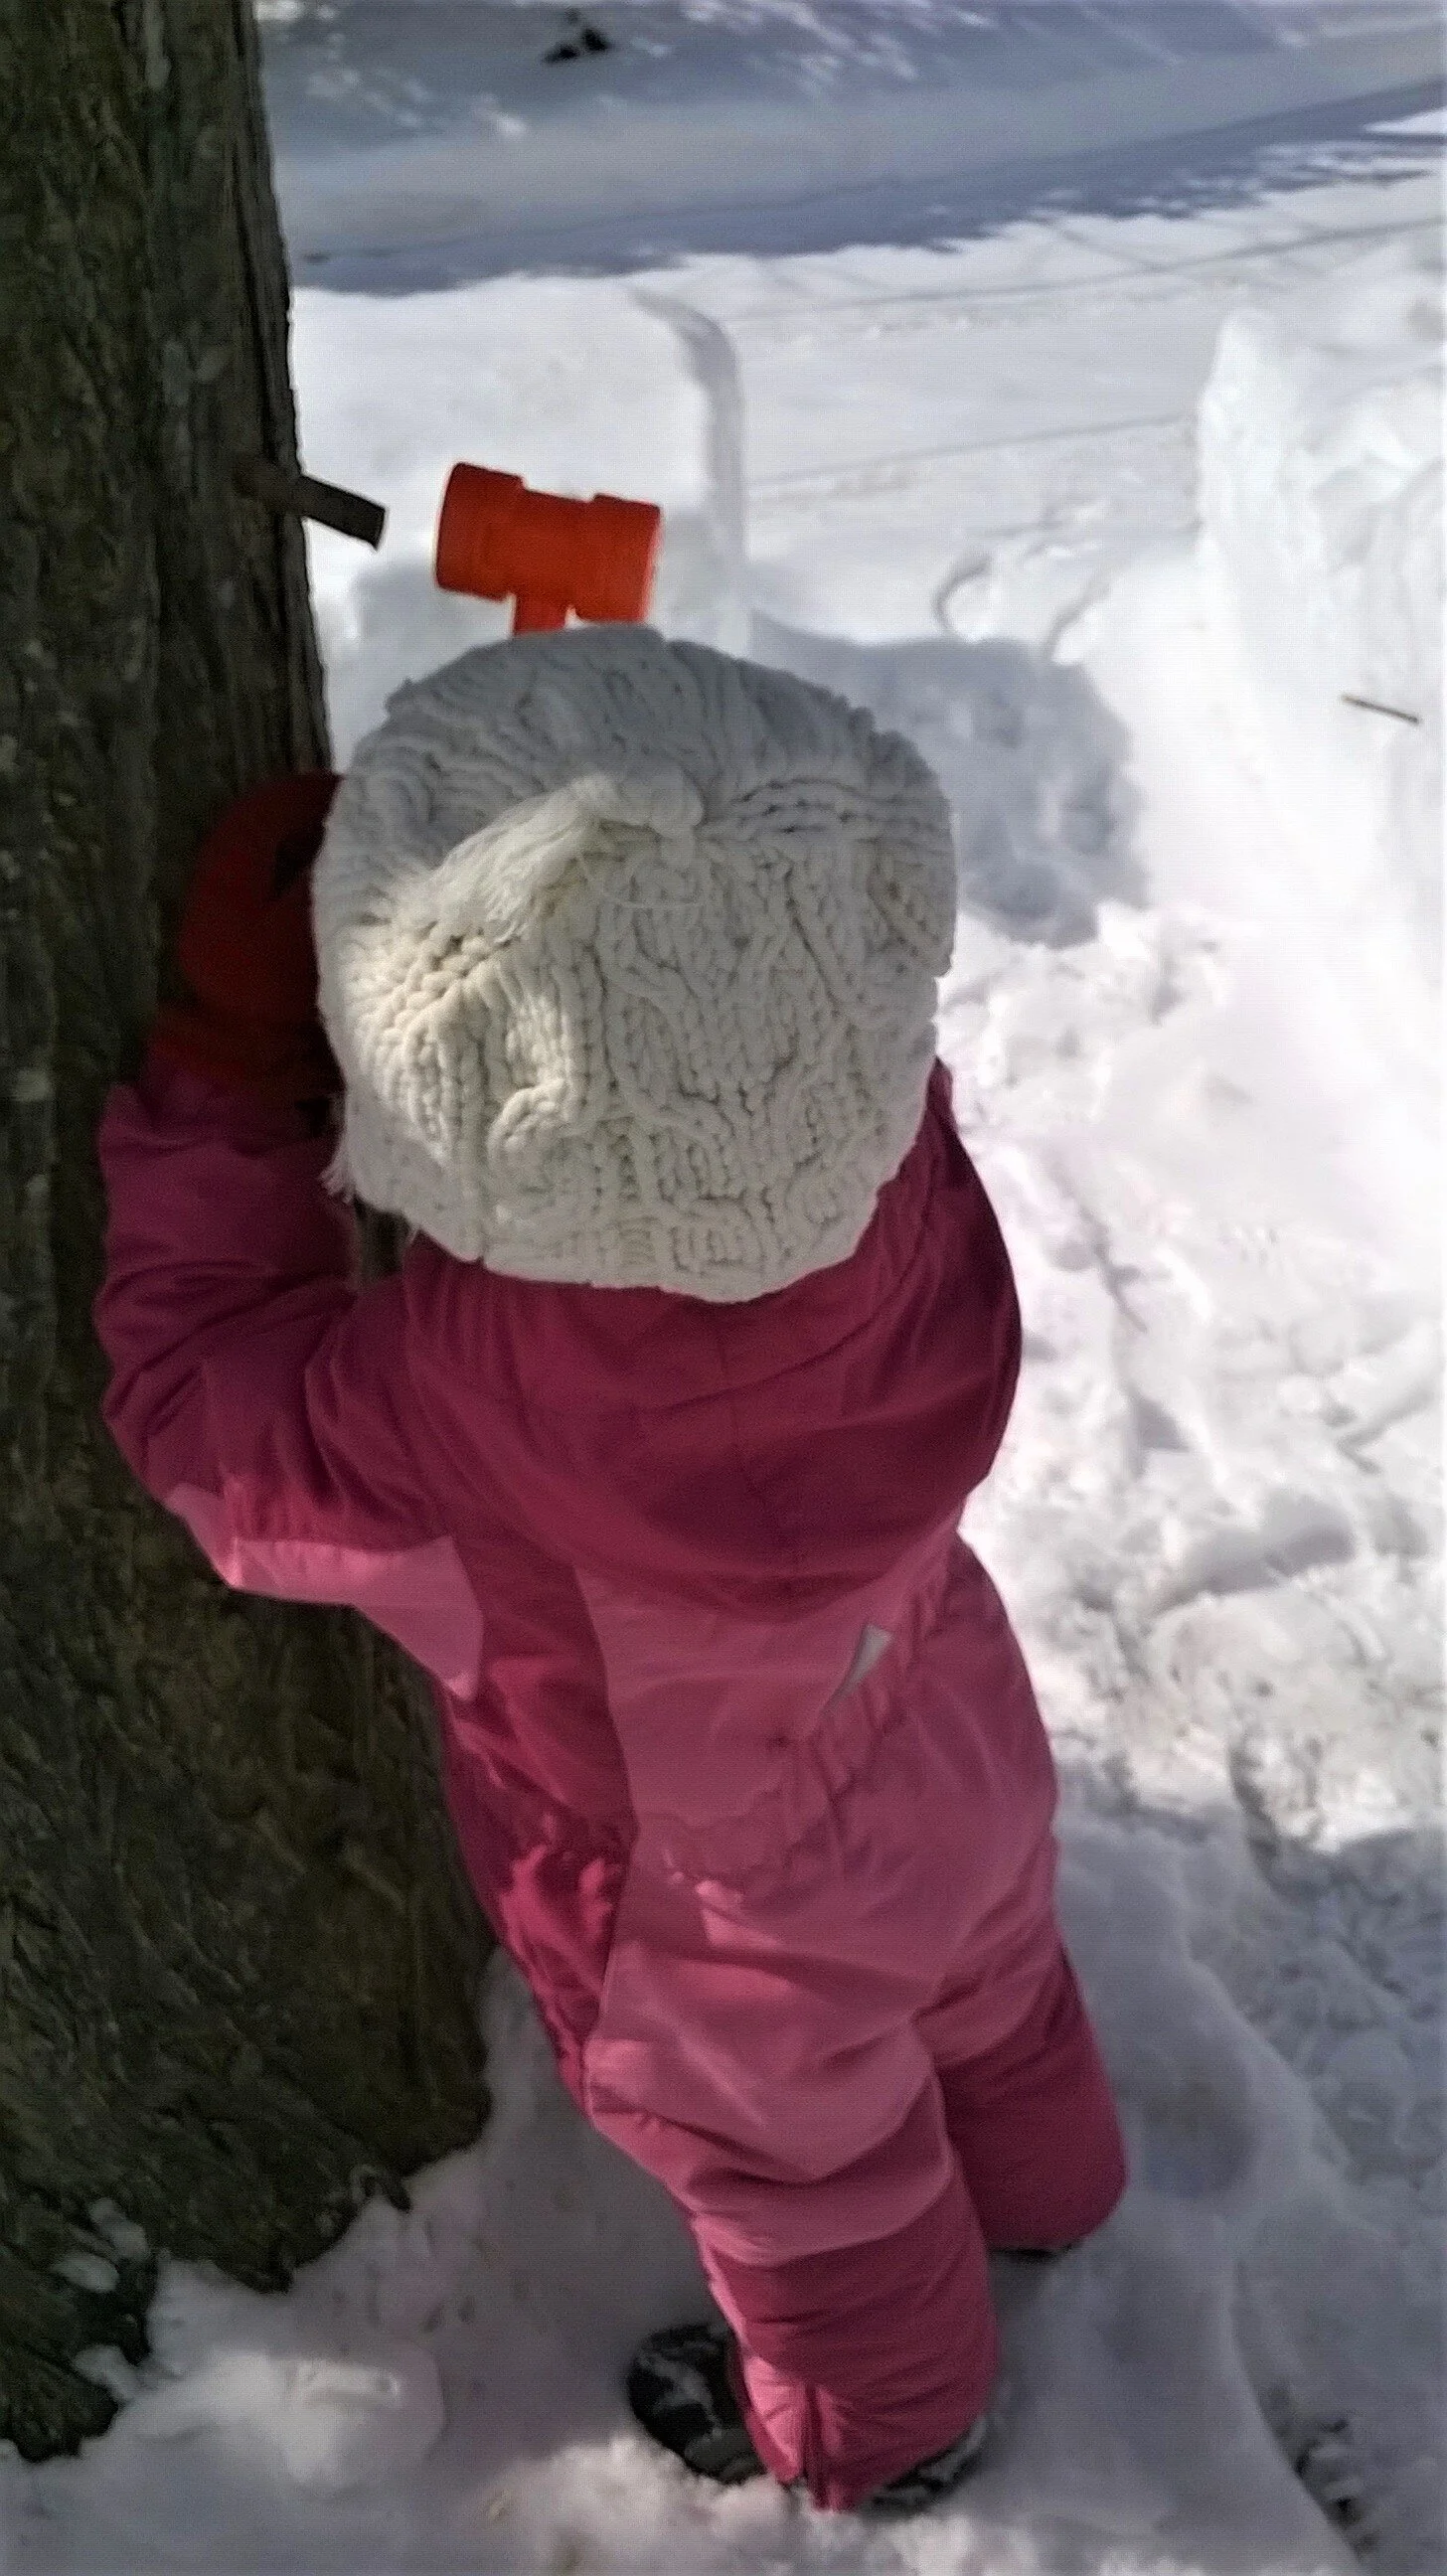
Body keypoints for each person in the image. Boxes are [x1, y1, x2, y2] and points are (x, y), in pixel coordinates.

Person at [95, 628, 1126, 2516]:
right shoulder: (892, 1176)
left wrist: (239, 1078)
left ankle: (895, 2432)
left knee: (818, 2181)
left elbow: (216, 1434)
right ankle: (1064, 2191)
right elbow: (713, 1027)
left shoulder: (473, 1405)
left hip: (719, 1916)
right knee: (993, 1978)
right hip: (944, 1722)